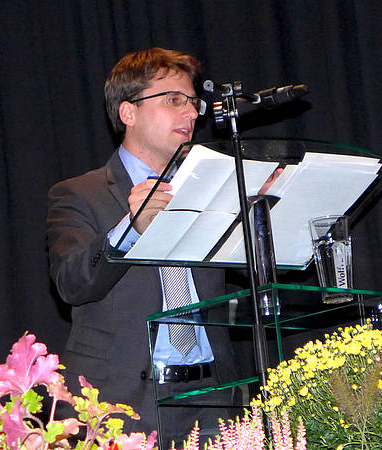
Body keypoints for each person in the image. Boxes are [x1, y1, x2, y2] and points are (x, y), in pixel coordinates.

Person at [46, 48, 238, 445]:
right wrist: (130, 229)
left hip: (213, 397)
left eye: (193, 103)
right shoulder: (78, 194)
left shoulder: (212, 187)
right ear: (128, 112)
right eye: (174, 100)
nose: (191, 113)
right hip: (119, 400)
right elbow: (72, 283)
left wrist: (265, 217)